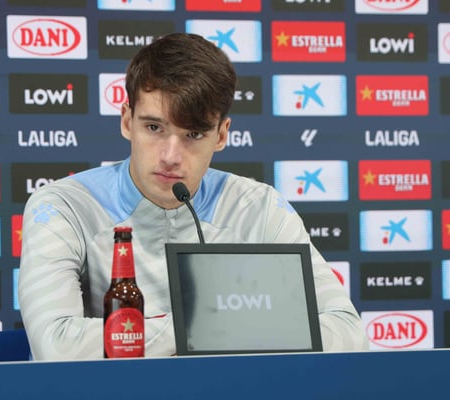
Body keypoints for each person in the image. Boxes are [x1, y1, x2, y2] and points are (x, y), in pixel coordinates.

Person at [18, 32, 369, 360]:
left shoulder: (258, 208)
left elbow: (348, 334)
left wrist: (198, 330)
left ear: (221, 135)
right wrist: (214, 325)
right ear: (127, 121)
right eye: (154, 127)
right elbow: (57, 345)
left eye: (194, 134)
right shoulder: (65, 206)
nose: (170, 156)